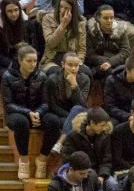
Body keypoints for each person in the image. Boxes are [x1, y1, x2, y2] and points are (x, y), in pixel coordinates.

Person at [1, 46, 58, 180]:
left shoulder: (42, 76)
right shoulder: (7, 76)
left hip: (36, 113)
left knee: (54, 121)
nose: (33, 64)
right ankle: (24, 160)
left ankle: (42, 158)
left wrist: (38, 112)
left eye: (35, 61)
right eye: (29, 61)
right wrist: (28, 113)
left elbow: (46, 103)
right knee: (22, 122)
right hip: (15, 114)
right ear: (20, 60)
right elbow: (9, 104)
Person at [84, 4, 134, 83]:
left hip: (115, 63)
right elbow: (89, 53)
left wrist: (110, 62)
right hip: (96, 63)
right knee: (108, 73)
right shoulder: (91, 30)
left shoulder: (120, 29)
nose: (109, 21)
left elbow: (125, 51)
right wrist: (104, 61)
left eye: (112, 18)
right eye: (105, 18)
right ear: (98, 18)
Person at [44, 52, 90, 140]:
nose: (73, 68)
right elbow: (53, 105)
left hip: (77, 112)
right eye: (70, 65)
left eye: (76, 65)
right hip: (59, 112)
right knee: (60, 122)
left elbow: (82, 104)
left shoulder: (85, 79)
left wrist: (75, 86)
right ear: (63, 64)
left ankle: (60, 145)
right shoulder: (52, 80)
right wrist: (70, 117)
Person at [61, 107, 113, 181]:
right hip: (80, 172)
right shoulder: (73, 136)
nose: (104, 128)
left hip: (100, 173)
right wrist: (85, 173)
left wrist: (102, 176)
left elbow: (107, 160)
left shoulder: (105, 136)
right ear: (92, 123)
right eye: (102, 125)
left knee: (112, 184)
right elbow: (68, 157)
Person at [41, 0, 87, 76]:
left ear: (73, 10)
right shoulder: (48, 18)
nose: (62, 10)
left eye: (66, 8)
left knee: (86, 73)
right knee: (60, 74)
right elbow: (50, 44)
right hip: (52, 59)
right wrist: (62, 25)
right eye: (61, 7)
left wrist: (78, 63)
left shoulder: (80, 22)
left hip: (72, 59)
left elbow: (81, 49)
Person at [104, 55, 134, 125]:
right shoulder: (112, 80)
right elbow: (110, 106)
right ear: (127, 70)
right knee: (112, 124)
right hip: (117, 116)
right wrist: (128, 117)